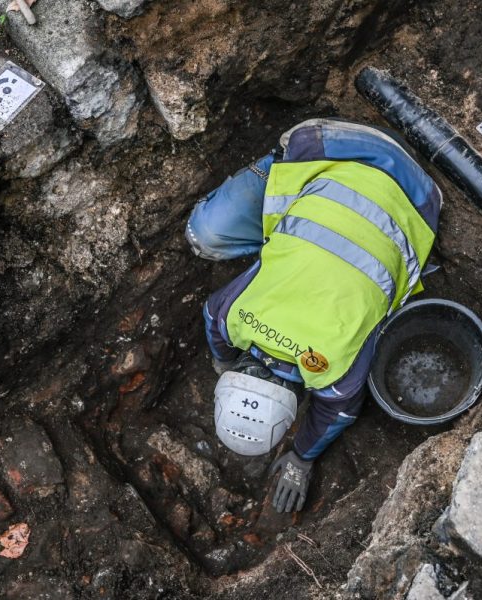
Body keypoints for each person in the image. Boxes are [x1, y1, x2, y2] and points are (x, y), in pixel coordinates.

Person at [185, 118, 442, 513]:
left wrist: (302, 458)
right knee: (205, 235)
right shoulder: (233, 316)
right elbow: (210, 317)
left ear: (292, 410)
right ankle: (287, 176)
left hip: (417, 196)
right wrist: (222, 360)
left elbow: (337, 413)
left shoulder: (333, 372)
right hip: (330, 146)